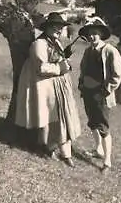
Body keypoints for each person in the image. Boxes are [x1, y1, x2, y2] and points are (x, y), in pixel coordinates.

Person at [14, 12, 81, 167]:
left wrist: (65, 62)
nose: (59, 30)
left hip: (56, 85)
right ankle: (51, 149)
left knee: (59, 118)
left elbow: (58, 60)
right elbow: (41, 67)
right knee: (52, 118)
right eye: (55, 27)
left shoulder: (55, 42)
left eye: (61, 27)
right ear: (48, 27)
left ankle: (58, 150)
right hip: (44, 85)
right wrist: (61, 67)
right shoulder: (39, 44)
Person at [78, 17, 121, 173]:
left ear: (101, 34)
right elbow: (83, 69)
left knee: (103, 126)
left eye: (95, 33)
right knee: (92, 122)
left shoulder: (109, 51)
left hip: (101, 94)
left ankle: (107, 161)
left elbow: (117, 74)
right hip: (88, 92)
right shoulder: (88, 51)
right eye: (89, 34)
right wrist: (82, 84)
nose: (92, 37)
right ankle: (98, 149)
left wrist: (105, 91)